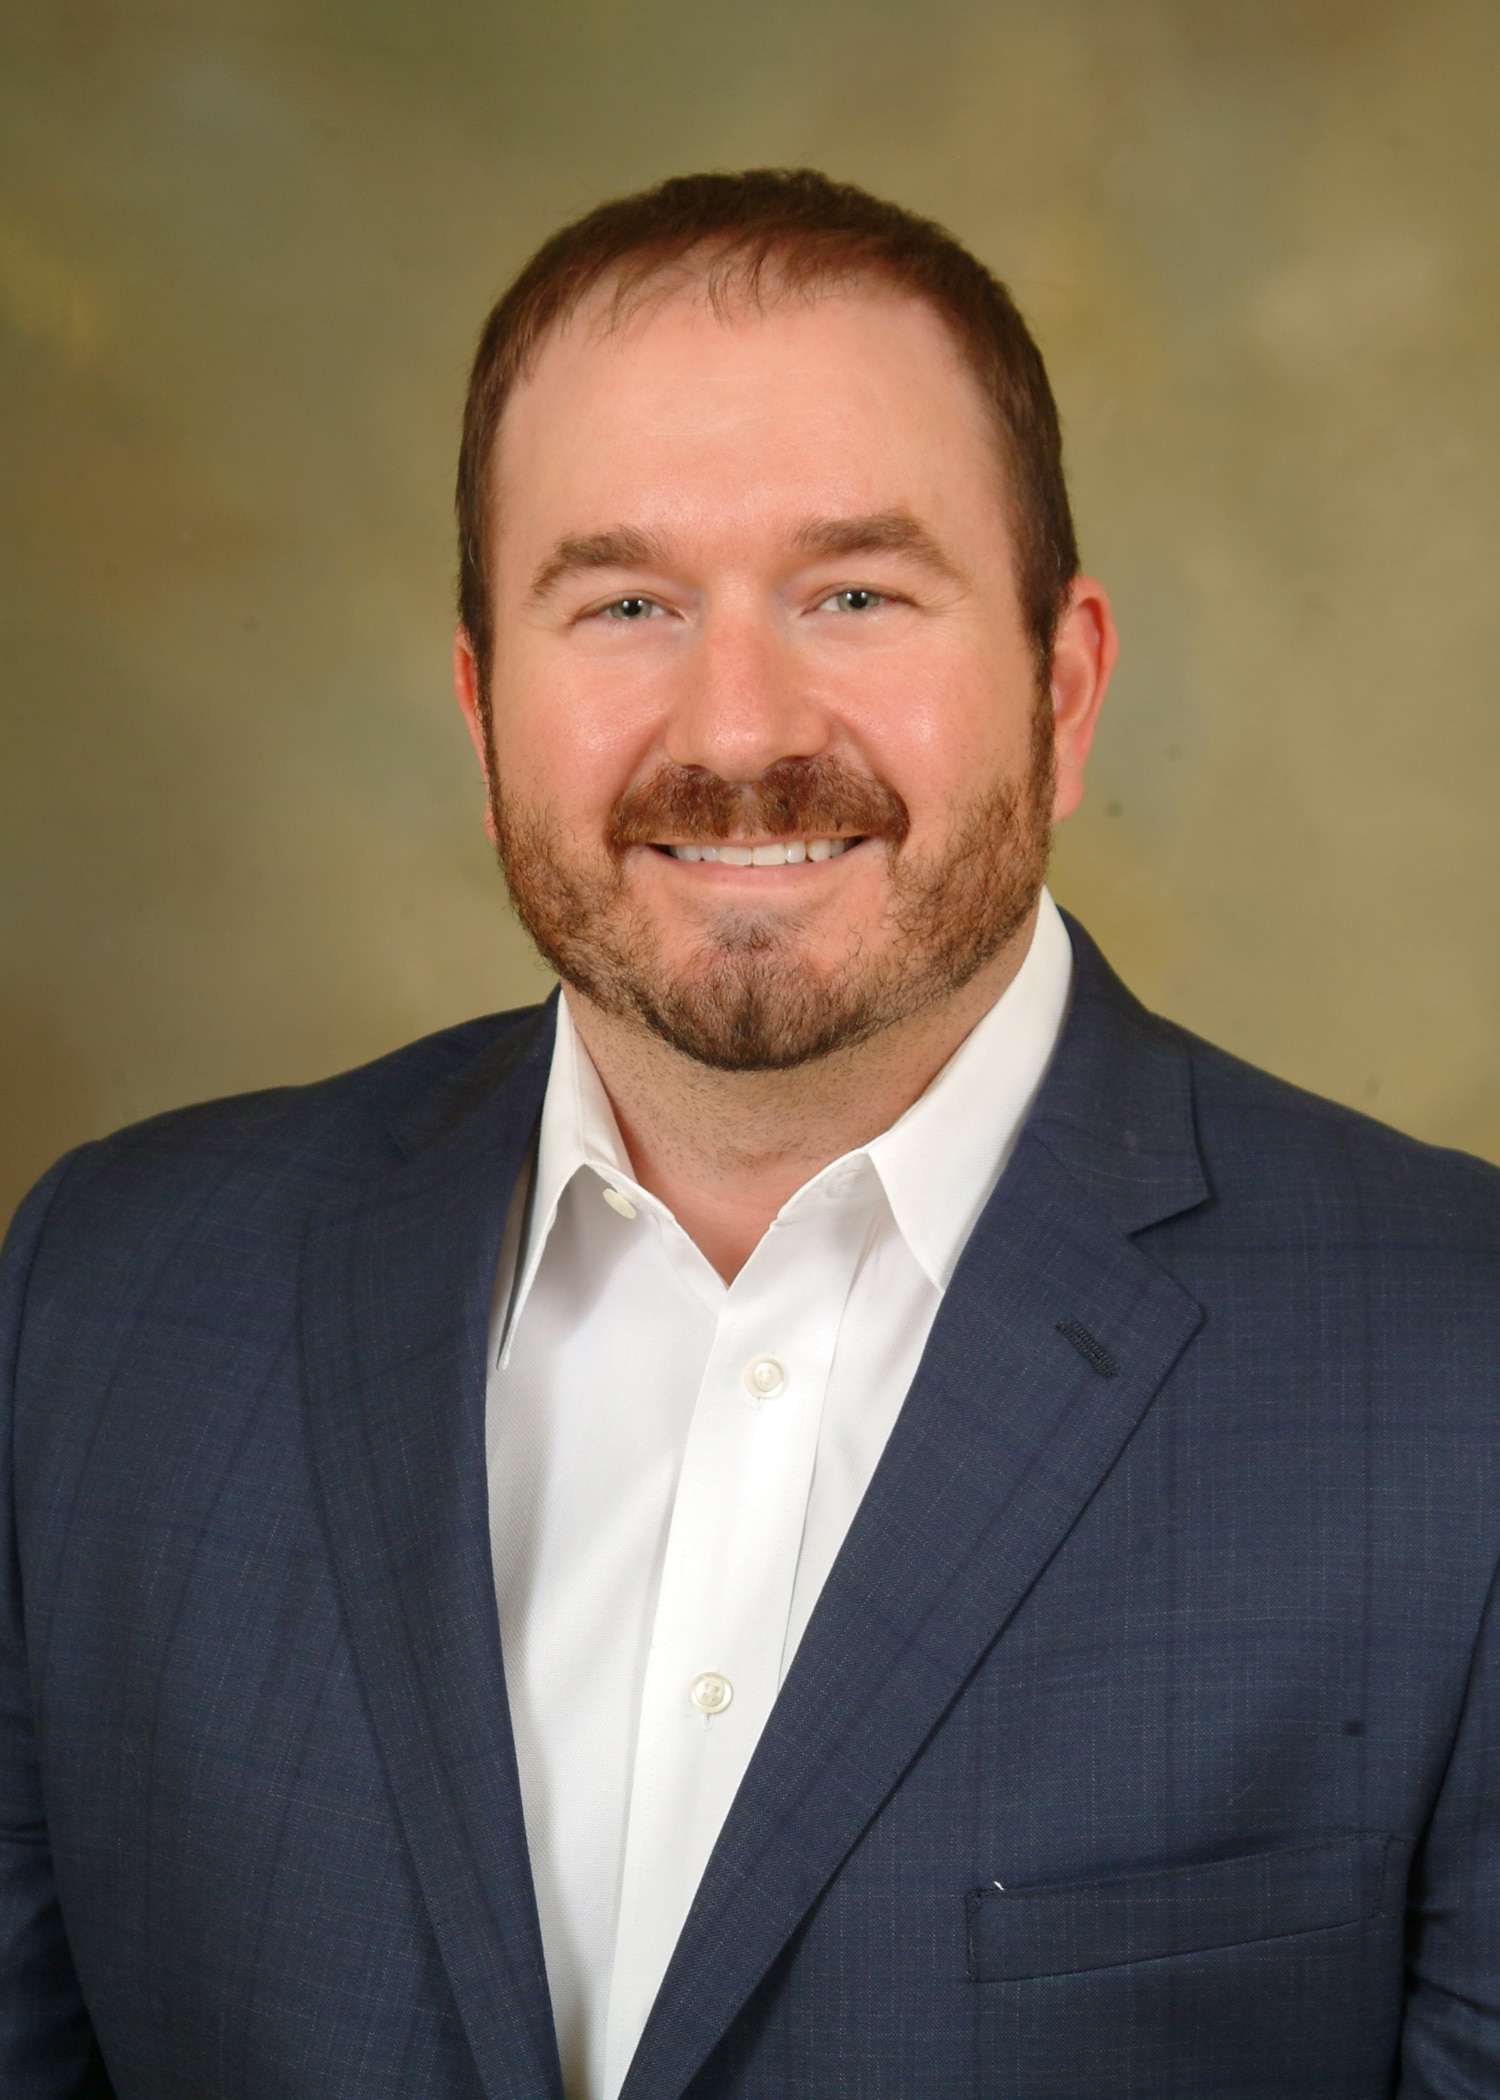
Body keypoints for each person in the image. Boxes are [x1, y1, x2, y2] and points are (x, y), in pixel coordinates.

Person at [1, 167, 1497, 2100]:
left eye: (854, 592)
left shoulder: (1457, 1374)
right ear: (478, 709)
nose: (736, 724)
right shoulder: (104, 1311)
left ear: (1064, 681)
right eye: (623, 601)